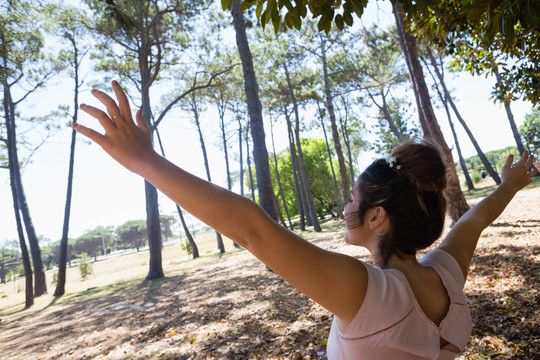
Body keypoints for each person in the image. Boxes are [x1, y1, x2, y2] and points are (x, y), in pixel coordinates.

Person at [74, 81, 537, 359]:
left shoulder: (367, 293)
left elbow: (252, 230)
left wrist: (145, 162)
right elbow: (476, 219)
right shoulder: (447, 274)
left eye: (352, 200)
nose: (344, 208)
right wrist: (511, 185)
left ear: (377, 216)